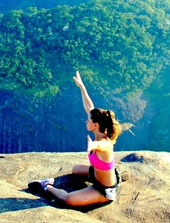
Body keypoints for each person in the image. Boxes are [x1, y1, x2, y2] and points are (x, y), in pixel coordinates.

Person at [30, 71, 124, 207]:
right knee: (75, 170)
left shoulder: (104, 143)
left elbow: (102, 146)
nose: (86, 121)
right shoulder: (99, 130)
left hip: (103, 188)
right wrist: (82, 87)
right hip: (96, 174)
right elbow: (89, 107)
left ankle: (46, 185)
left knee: (67, 199)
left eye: (88, 120)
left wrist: (92, 146)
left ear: (95, 125)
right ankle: (117, 175)